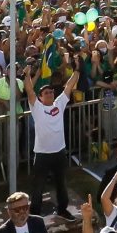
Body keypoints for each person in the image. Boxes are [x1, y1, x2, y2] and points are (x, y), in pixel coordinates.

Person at [29, 69, 79, 219]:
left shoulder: (59, 104)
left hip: (59, 152)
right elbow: (29, 90)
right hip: (42, 154)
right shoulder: (37, 107)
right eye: (46, 93)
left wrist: (77, 69)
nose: (50, 94)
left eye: (51, 92)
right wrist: (26, 75)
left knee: (61, 184)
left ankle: (63, 209)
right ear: (40, 97)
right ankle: (35, 215)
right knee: (38, 186)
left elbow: (69, 85)